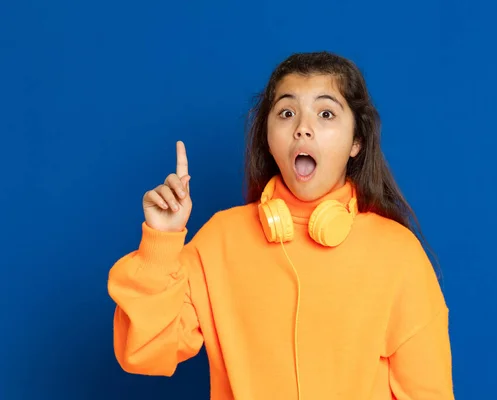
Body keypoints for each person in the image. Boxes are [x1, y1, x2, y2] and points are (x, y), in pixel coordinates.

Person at [107, 51, 454, 399]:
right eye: (287, 113)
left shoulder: (398, 255)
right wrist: (161, 244)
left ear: (355, 142)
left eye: (326, 113)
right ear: (269, 139)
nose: (303, 127)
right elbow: (145, 352)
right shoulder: (219, 241)